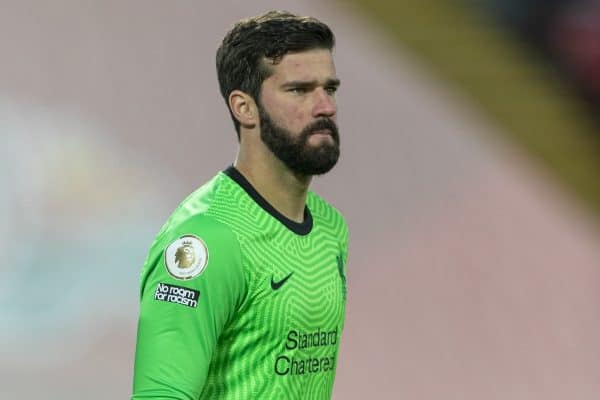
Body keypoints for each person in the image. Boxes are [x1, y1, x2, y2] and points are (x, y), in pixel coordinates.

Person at [131, 10, 349, 400]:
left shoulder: (331, 229)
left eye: (329, 89)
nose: (325, 107)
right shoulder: (205, 240)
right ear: (243, 107)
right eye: (300, 90)